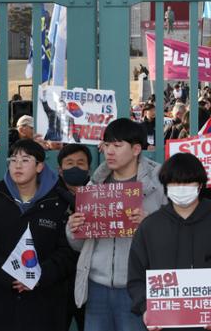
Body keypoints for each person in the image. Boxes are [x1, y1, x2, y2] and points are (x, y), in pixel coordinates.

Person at [128, 152, 211, 330]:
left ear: (200, 185)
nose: (181, 188)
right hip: (164, 323)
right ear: (166, 186)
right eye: (175, 182)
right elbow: (136, 277)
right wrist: (146, 308)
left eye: (188, 182)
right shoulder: (150, 227)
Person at [66, 118, 167, 331]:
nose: (109, 151)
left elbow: (176, 233)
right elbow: (79, 246)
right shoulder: (96, 183)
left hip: (140, 287)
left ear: (136, 149)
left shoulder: (160, 182)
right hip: (96, 286)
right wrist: (73, 228)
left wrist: (150, 224)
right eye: (107, 145)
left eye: (118, 146)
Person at [0, 139, 77, 331]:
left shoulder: (59, 203)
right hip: (1, 297)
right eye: (13, 159)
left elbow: (67, 252)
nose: (17, 165)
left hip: (44, 300)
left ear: (39, 167)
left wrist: (38, 276)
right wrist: (8, 274)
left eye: (25, 160)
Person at [57, 143, 92, 331]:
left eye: (81, 163)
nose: (75, 167)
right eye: (69, 163)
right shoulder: (48, 196)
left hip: (90, 282)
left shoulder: (101, 196)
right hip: (57, 282)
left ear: (89, 169)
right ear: (60, 170)